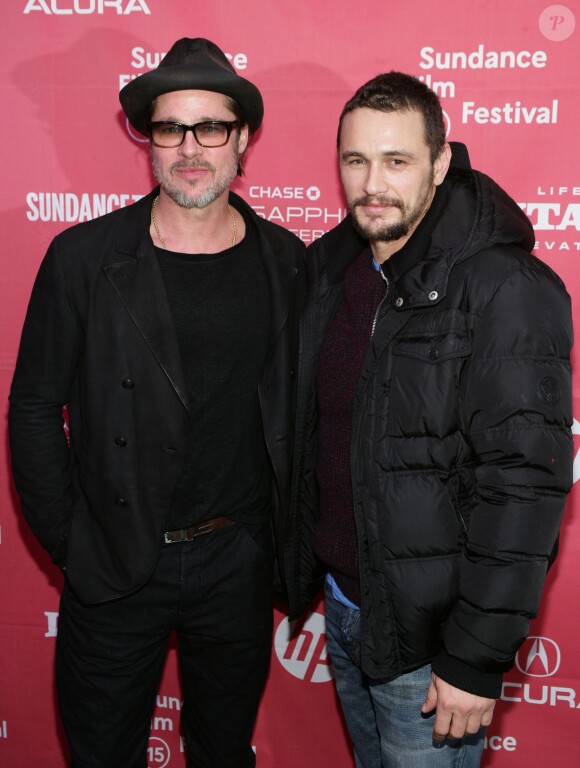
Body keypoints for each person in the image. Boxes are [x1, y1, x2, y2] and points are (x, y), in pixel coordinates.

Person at [9, 37, 305, 768]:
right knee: (102, 754)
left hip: (237, 562)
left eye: (211, 127)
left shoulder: (289, 264)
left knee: (222, 752)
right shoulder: (83, 259)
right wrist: (74, 544)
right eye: (171, 128)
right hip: (114, 562)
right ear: (149, 140)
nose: (190, 148)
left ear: (242, 138)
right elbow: (35, 407)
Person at [286, 72, 573, 767]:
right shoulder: (337, 275)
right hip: (349, 611)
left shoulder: (508, 289)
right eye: (356, 161)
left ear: (441, 163)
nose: (372, 183)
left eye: (396, 160)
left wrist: (474, 658)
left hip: (432, 647)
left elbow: (525, 485)